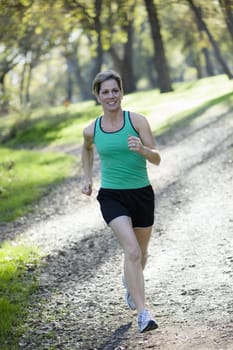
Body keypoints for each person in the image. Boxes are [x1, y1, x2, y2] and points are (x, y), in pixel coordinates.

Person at [81, 69, 161, 333]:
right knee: (133, 251)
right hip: (112, 196)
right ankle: (143, 313)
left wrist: (142, 149)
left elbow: (157, 158)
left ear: (122, 92)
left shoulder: (137, 121)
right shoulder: (91, 129)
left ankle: (130, 282)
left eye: (115, 90)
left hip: (141, 194)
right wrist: (87, 177)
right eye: (105, 92)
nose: (111, 96)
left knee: (142, 252)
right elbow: (86, 149)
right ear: (97, 95)